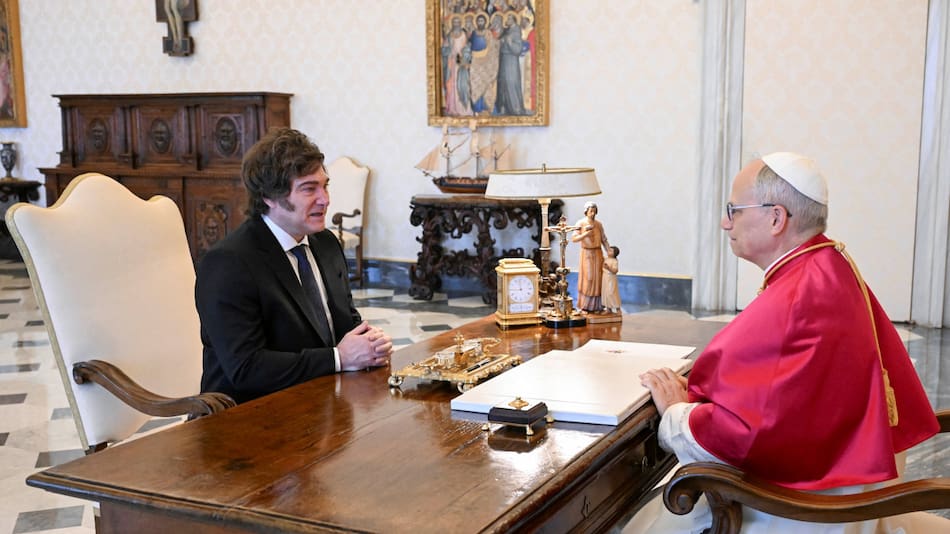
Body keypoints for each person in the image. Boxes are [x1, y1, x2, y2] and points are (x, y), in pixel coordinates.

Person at [629, 153, 942, 533]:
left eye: (734, 210)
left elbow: (740, 440)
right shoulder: (827, 263)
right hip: (843, 485)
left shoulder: (798, 299)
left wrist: (679, 412)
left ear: (776, 218)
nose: (725, 222)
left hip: (806, 513)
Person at [196, 127, 393, 404]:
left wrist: (369, 342)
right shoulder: (228, 263)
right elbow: (246, 368)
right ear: (269, 197)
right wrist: (339, 357)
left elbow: (345, 322)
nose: (325, 199)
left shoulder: (326, 244)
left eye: (325, 185)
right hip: (249, 416)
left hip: (322, 403)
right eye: (309, 189)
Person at [570, 201, 611, 312]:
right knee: (589, 278)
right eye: (590, 211)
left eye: (594, 211)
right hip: (587, 253)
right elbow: (574, 238)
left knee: (598, 278)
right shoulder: (580, 223)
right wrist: (585, 235)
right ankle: (585, 305)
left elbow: (603, 239)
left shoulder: (598, 224)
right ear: (586, 212)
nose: (592, 213)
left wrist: (609, 250)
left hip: (597, 253)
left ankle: (597, 305)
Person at [601, 246, 621, 314]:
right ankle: (608, 308)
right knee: (605, 293)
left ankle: (617, 308)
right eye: (608, 250)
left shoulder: (614, 261)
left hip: (611, 278)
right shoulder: (606, 259)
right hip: (605, 277)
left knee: (611, 293)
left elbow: (615, 271)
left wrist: (608, 268)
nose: (608, 252)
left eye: (611, 251)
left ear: (614, 254)